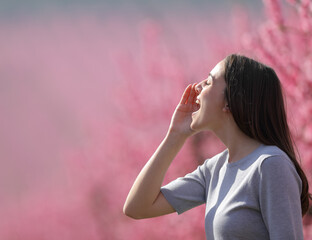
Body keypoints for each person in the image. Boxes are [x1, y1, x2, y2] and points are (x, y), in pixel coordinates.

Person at [123, 54, 310, 239]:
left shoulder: (270, 165)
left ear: (230, 101)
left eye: (209, 82)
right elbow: (137, 207)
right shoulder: (214, 170)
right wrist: (175, 136)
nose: (198, 87)